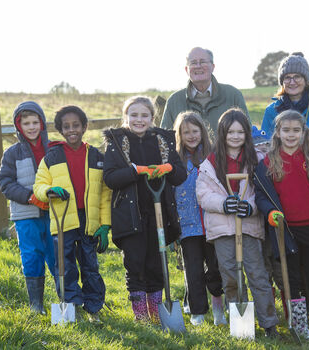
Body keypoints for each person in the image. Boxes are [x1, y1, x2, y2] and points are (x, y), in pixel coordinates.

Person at [196, 108, 280, 338]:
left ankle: (269, 323)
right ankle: (242, 326)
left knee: (258, 275)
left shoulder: (256, 161)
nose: (235, 136)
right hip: (222, 229)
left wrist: (250, 207)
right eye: (230, 132)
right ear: (222, 133)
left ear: (247, 134)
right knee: (231, 277)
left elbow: (262, 192)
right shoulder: (211, 162)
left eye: (240, 132)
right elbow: (203, 194)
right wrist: (224, 204)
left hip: (249, 228)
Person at [103, 96, 186, 323]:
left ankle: (158, 313)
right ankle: (141, 315)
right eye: (134, 115)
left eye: (144, 115)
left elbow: (180, 175)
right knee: (135, 264)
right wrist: (136, 170)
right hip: (130, 217)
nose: (139, 120)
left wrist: (168, 167)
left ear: (152, 117)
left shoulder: (163, 141)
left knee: (156, 264)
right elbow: (110, 178)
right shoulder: (117, 143)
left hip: (159, 215)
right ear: (126, 117)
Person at [254, 110, 309, 339]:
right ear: (277, 132)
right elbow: (261, 195)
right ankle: (299, 326)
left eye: (296, 130)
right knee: (292, 278)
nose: (291, 134)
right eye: (286, 130)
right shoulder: (268, 161)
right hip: (285, 230)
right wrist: (270, 212)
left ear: (303, 131)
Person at [33, 105, 111, 323]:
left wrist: (105, 225)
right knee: (64, 264)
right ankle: (70, 305)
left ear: (84, 127)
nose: (71, 130)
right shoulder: (52, 157)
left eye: (76, 125)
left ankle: (94, 306)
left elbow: (105, 195)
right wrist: (48, 191)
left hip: (89, 219)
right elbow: (39, 184)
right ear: (60, 130)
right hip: (63, 217)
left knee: (90, 264)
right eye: (66, 127)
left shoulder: (96, 156)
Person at [0, 101, 56, 314]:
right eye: (26, 123)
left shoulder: (54, 149)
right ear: (18, 126)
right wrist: (30, 197)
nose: (31, 127)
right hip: (26, 215)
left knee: (57, 255)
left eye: (35, 122)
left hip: (55, 214)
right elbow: (5, 183)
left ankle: (66, 301)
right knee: (32, 256)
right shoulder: (12, 153)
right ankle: (36, 304)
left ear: (42, 123)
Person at [173, 110, 226, 326]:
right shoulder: (175, 160)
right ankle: (197, 311)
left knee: (215, 269)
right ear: (179, 135)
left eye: (195, 131)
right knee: (193, 270)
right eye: (186, 132)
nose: (192, 136)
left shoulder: (212, 156)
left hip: (212, 224)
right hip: (187, 226)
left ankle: (218, 309)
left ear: (202, 131)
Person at [160, 47, 249, 137]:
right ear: (187, 70)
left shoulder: (233, 95)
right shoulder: (174, 101)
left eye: (203, 62)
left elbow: (247, 132)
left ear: (213, 67)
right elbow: (164, 140)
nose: (198, 66)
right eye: (193, 63)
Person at [251, 125, 289, 321]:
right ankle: (269, 312)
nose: (262, 151)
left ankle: (290, 310)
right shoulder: (248, 168)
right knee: (263, 270)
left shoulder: (276, 164)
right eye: (258, 148)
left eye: (266, 147)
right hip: (254, 225)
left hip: (275, 225)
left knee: (281, 268)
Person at [261, 52, 309, 145]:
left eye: (297, 77)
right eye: (287, 77)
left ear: (306, 80)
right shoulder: (271, 110)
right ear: (282, 82)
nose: (292, 82)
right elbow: (266, 145)